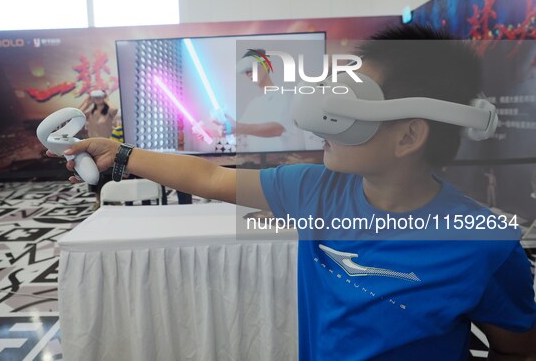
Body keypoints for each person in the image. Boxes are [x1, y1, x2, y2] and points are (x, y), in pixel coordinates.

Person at [52, 25, 536, 360]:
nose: (322, 119)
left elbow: (517, 347)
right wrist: (118, 155)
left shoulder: (483, 241)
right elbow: (211, 179)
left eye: (350, 105)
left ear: (409, 136)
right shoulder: (316, 190)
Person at [218, 49, 305, 152]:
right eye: (247, 72)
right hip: (259, 164)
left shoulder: (283, 95)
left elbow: (278, 129)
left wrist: (238, 127)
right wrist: (211, 130)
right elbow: (237, 131)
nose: (250, 74)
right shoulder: (254, 104)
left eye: (252, 68)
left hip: (283, 163)